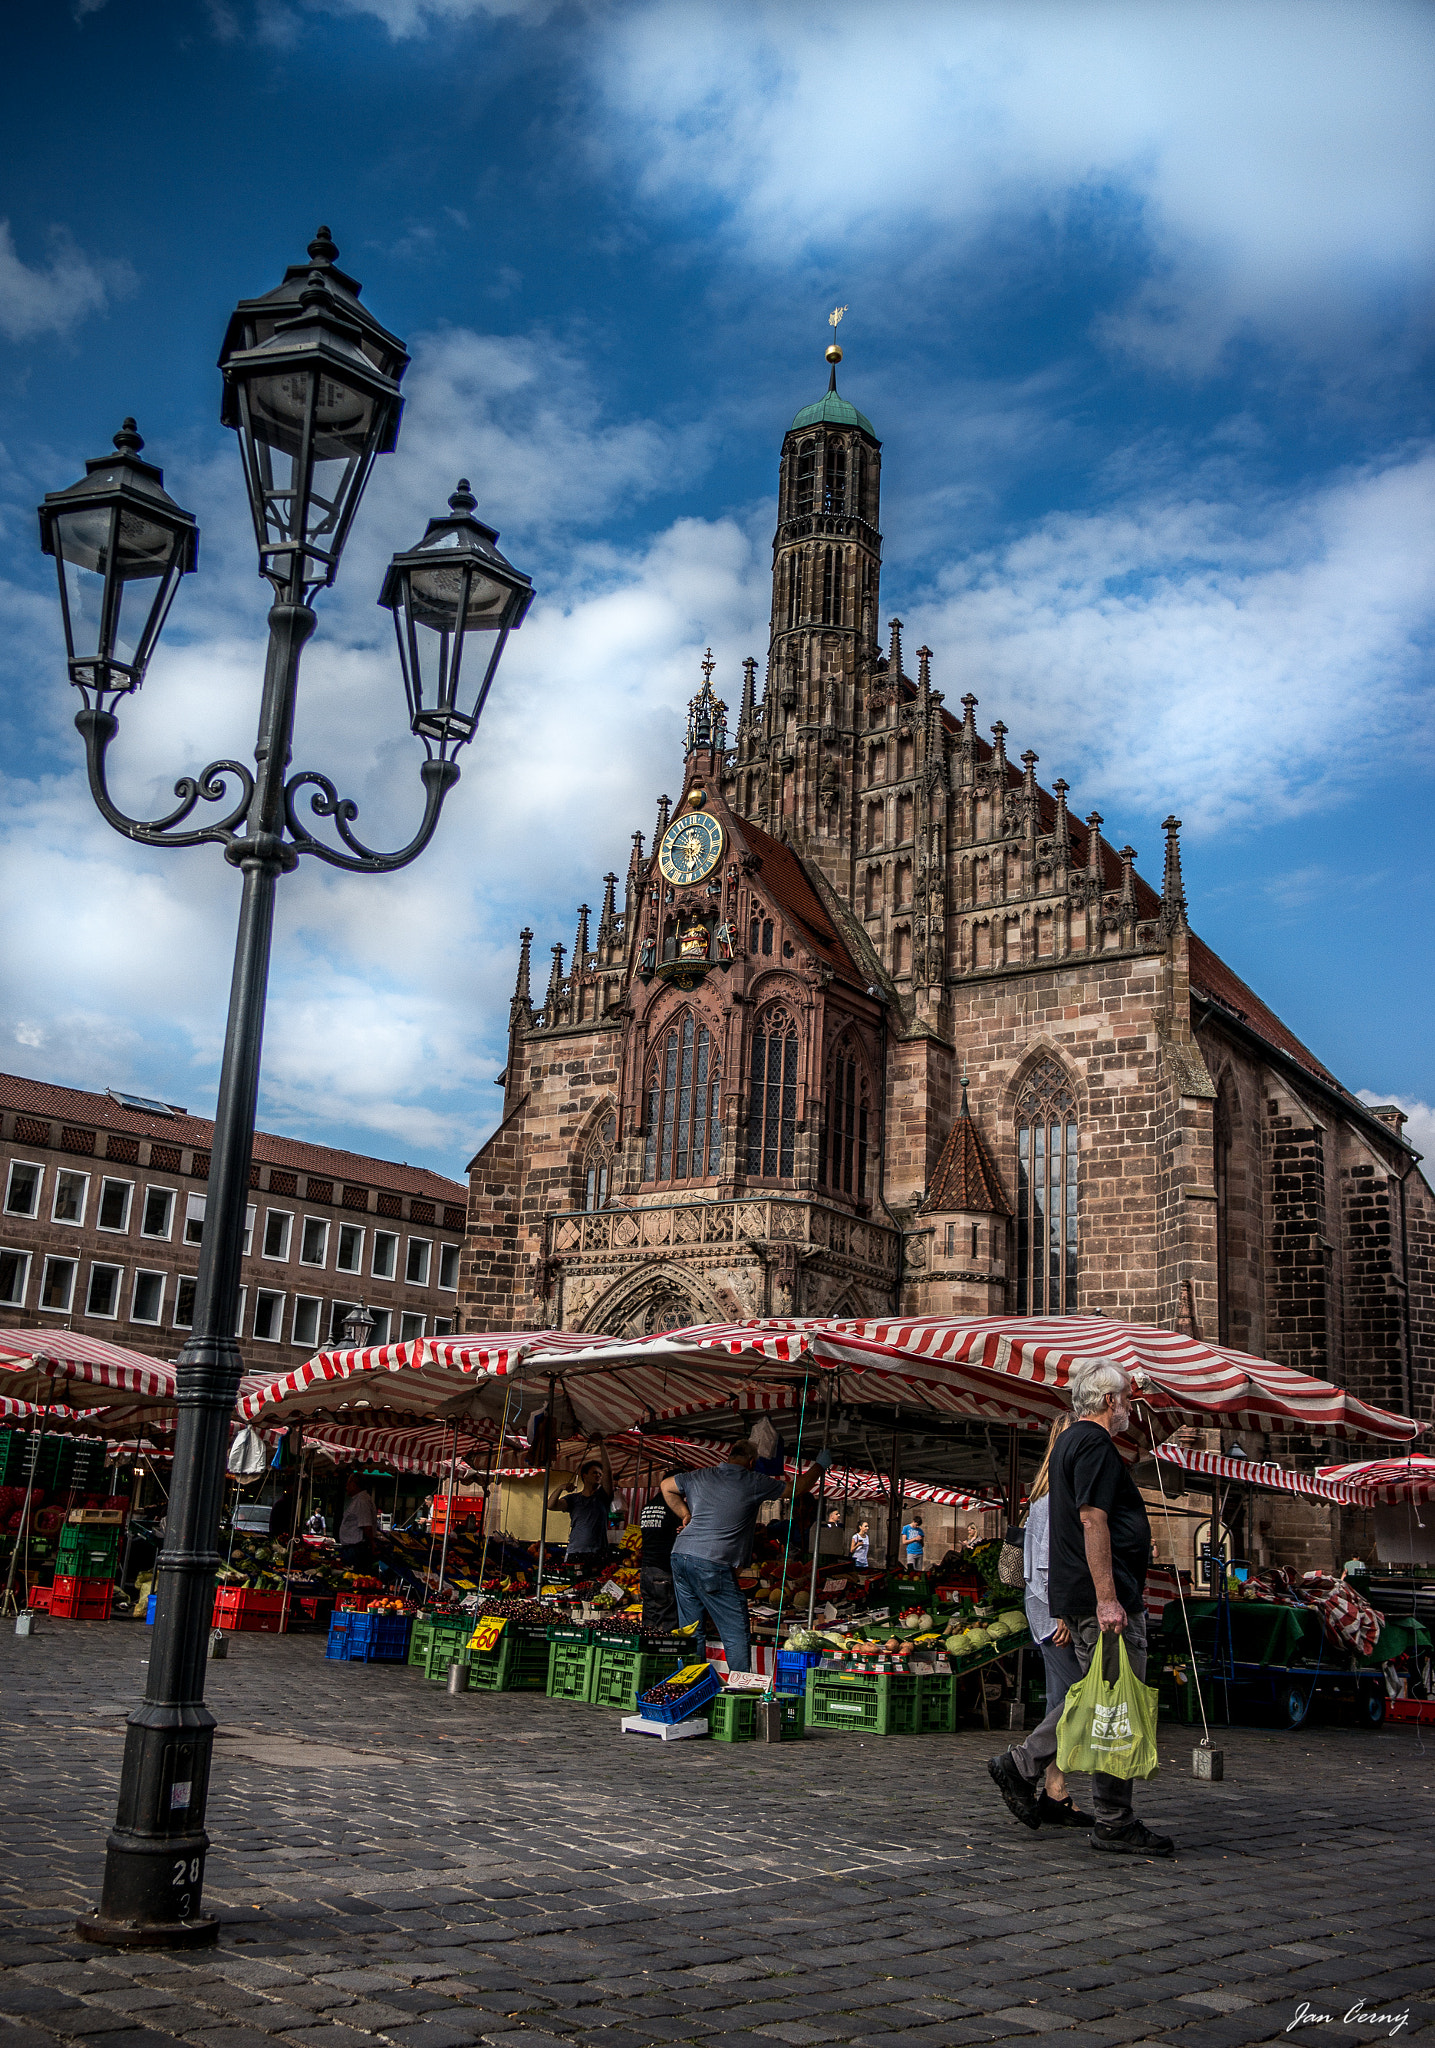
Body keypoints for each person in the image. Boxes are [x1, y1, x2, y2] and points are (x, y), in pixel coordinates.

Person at [994, 1360, 1171, 1856]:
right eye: (1128, 1400)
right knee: (1111, 1704)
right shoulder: (1092, 1442)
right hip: (1101, 1601)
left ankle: (1035, 1771)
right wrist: (1108, 1597)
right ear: (1109, 1400)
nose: (1132, 1408)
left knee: (1101, 1701)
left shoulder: (1072, 1442)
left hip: (1084, 1598)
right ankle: (1097, 1810)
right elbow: (1093, 1521)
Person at [986, 1414, 1094, 1831]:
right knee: (1077, 1700)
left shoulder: (1053, 1493)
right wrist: (1060, 1613)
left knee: (1061, 1700)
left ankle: (1055, 1792)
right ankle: (1021, 1765)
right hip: (1056, 1613)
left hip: (1053, 1611)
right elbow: (1045, 1566)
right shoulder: (1052, 1501)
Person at [661, 1440, 829, 1672]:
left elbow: (666, 1486)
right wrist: (820, 1466)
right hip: (712, 1562)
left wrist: (686, 1514)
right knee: (735, 1629)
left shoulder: (699, 1475)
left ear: (729, 1457)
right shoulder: (753, 1480)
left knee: (692, 1629)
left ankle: (691, 1684)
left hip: (680, 1556)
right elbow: (797, 1489)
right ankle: (739, 1688)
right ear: (752, 1462)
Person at [549, 1436, 614, 1576]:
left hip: (598, 1553)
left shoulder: (603, 1496)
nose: (598, 1475)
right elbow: (551, 1505)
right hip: (575, 1552)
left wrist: (602, 1446)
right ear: (584, 1476)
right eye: (594, 1472)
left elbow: (608, 1473)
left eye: (599, 1474)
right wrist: (560, 1487)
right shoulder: (573, 1499)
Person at [638, 1468, 687, 1631]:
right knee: (667, 1623)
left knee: (649, 1621)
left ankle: (646, 1652)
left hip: (646, 1570)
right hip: (664, 1571)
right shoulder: (676, 1508)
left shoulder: (648, 1506)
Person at [337, 1475, 378, 1564]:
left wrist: (372, 1544)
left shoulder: (362, 1501)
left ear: (354, 1485)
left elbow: (367, 1526)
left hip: (356, 1549)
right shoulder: (359, 1500)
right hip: (352, 1548)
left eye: (348, 1484)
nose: (346, 1487)